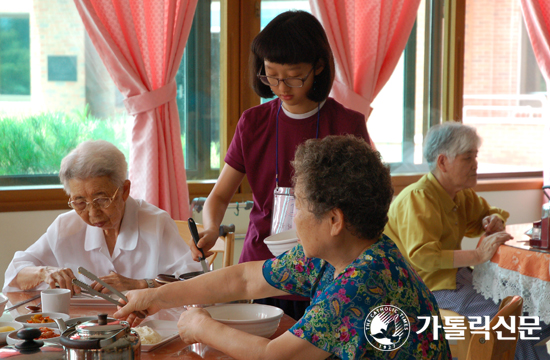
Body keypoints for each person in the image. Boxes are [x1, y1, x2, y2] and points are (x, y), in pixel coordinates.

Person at [115, 135, 451, 360]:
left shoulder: (361, 285)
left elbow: (273, 356)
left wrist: (201, 326)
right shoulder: (342, 252)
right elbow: (246, 279)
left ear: (334, 220)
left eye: (300, 207)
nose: (293, 220)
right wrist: (154, 297)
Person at [192, 10, 371, 320]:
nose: (281, 86)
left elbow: (367, 202)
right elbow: (219, 196)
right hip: (264, 273)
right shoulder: (253, 122)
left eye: (293, 76)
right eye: (271, 75)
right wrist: (210, 228)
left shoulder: (346, 123)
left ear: (318, 66)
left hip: (327, 273)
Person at [384, 122, 550, 360]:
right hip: (426, 287)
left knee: (535, 316)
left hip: (456, 278)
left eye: (475, 156)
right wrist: (477, 255)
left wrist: (494, 219)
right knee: (511, 326)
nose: (475, 164)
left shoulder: (460, 194)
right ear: (443, 162)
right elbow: (423, 256)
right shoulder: (418, 197)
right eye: (467, 158)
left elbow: (489, 214)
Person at [3, 140, 201, 294]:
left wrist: (140, 284)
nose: (92, 213)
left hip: (147, 333)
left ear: (124, 190)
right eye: (80, 202)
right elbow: (14, 273)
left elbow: (195, 282)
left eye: (101, 199)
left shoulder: (156, 223)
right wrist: (44, 272)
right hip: (81, 333)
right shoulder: (65, 226)